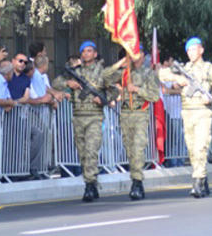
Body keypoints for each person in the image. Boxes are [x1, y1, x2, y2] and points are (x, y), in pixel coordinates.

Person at [159, 37, 212, 198]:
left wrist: (211, 98)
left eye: (193, 49)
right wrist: (178, 79)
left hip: (203, 112)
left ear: (201, 50)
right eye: (188, 50)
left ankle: (197, 183)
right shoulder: (183, 69)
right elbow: (161, 73)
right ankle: (204, 181)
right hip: (187, 112)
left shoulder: (211, 69)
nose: (190, 53)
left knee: (200, 147)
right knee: (191, 149)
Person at [52, 41, 108, 202]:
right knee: (83, 153)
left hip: (94, 117)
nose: (86, 54)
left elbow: (113, 91)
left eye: (89, 51)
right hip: (78, 116)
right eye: (84, 51)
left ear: (95, 54)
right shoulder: (74, 72)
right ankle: (92, 182)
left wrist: (103, 99)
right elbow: (55, 82)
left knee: (91, 151)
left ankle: (89, 185)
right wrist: (68, 83)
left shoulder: (101, 73)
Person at [103, 45, 160, 200]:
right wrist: (120, 62)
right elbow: (104, 77)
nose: (133, 56)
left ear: (142, 55)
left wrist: (136, 89)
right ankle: (135, 179)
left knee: (138, 149)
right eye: (130, 53)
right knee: (130, 151)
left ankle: (137, 182)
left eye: (136, 53)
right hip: (126, 114)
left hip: (140, 113)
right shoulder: (124, 72)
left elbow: (155, 96)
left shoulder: (149, 73)